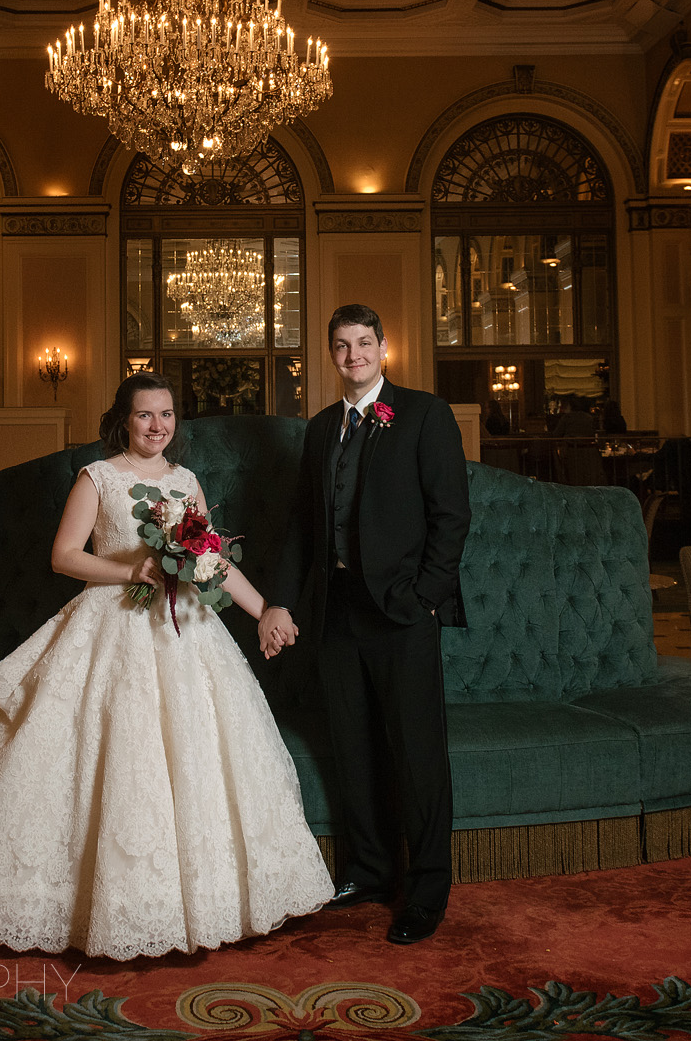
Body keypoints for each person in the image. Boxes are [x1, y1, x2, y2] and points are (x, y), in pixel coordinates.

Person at [0, 372, 332, 959]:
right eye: (146, 415)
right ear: (124, 419)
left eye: (167, 415)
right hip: (114, 624)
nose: (157, 426)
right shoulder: (97, 478)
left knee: (199, 757)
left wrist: (264, 611)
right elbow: (65, 556)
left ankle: (205, 904)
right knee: (119, 757)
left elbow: (212, 562)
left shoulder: (186, 481)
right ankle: (102, 908)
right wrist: (133, 572)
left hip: (186, 629)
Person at [260, 303, 471, 946]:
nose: (353, 356)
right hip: (336, 611)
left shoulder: (425, 415)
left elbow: (452, 515)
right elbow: (304, 526)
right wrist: (285, 602)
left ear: (384, 346)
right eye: (341, 346)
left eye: (363, 344)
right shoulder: (322, 428)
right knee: (353, 748)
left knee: (417, 754)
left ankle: (427, 889)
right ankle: (373, 872)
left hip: (403, 614)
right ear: (331, 355)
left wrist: (428, 598)